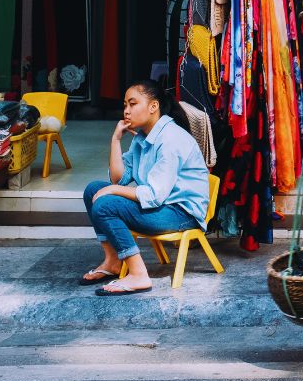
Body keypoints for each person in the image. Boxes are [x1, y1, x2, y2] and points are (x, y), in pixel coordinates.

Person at [79, 79, 211, 296]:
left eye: (133, 104)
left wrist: (112, 192)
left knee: (105, 203)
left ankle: (138, 273)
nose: (127, 111)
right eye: (125, 105)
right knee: (93, 190)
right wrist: (115, 140)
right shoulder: (142, 137)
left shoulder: (171, 138)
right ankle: (112, 261)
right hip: (161, 207)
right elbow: (118, 180)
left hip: (181, 213)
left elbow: (153, 195)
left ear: (153, 106)